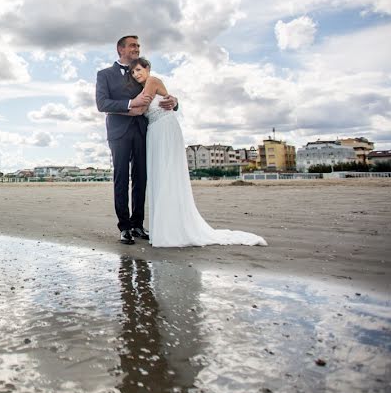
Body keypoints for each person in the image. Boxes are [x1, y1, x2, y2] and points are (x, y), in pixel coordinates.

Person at [127, 57, 267, 247]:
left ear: (147, 68)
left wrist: (119, 108)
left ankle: (172, 230)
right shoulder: (143, 88)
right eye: (133, 72)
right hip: (155, 131)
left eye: (138, 70)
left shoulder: (152, 81)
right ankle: (166, 227)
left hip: (165, 129)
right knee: (160, 176)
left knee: (168, 174)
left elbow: (142, 107)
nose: (136, 74)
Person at [96, 35, 178, 245]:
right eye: (133, 45)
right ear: (120, 49)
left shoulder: (141, 73)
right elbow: (102, 103)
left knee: (141, 178)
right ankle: (124, 227)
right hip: (119, 133)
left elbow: (159, 94)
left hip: (144, 130)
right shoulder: (104, 74)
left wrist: (175, 101)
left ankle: (138, 225)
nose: (137, 48)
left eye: (138, 46)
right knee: (121, 178)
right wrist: (131, 103)